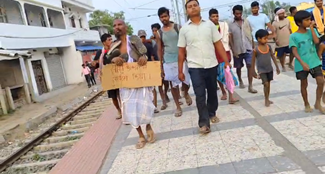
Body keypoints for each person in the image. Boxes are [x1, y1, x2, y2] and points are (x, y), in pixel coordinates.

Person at [178, 0, 230, 134]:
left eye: (195, 5)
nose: (193, 8)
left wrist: (226, 61)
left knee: (212, 92)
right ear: (186, 11)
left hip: (211, 64)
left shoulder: (210, 26)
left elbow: (218, 44)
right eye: (189, 6)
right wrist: (180, 71)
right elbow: (181, 51)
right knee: (200, 95)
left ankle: (212, 112)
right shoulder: (184, 29)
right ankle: (204, 123)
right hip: (195, 67)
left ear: (199, 8)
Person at [109, 19, 156, 149]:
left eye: (119, 24)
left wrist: (143, 58)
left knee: (145, 106)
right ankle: (140, 135)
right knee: (130, 109)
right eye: (114, 26)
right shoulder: (114, 45)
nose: (117, 27)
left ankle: (148, 126)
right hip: (125, 82)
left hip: (140, 78)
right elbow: (109, 60)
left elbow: (145, 54)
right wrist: (114, 59)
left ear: (125, 26)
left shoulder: (134, 39)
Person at [157, 7, 192, 117]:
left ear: (169, 16)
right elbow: (159, 49)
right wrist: (161, 65)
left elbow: (185, 42)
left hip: (181, 59)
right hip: (168, 61)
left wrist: (187, 55)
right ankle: (178, 106)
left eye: (165, 16)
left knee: (186, 82)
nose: (164, 19)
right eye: (162, 17)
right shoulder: (159, 33)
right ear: (159, 18)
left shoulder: (177, 27)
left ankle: (185, 93)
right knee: (173, 85)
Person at [289, 10, 325, 113]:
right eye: (307, 20)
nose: (310, 21)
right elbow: (294, 51)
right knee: (304, 84)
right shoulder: (293, 36)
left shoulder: (311, 32)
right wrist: (302, 62)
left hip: (314, 61)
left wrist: (312, 29)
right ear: (299, 23)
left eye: (310, 19)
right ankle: (306, 103)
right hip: (302, 64)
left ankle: (318, 102)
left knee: (321, 81)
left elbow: (317, 41)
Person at [209, 8, 238, 104]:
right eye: (213, 16)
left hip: (225, 52)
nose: (215, 18)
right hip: (213, 54)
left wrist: (232, 50)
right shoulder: (208, 27)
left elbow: (228, 38)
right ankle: (223, 92)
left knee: (228, 74)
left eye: (216, 16)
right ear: (209, 17)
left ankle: (231, 96)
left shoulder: (224, 25)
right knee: (218, 75)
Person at [228, 5, 257, 93]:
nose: (238, 15)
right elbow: (230, 38)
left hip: (248, 48)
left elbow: (250, 34)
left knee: (250, 66)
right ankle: (240, 80)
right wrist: (233, 51)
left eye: (240, 13)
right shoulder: (230, 24)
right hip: (237, 50)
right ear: (233, 13)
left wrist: (252, 45)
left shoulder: (246, 22)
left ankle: (250, 86)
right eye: (237, 13)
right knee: (239, 67)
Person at [94, 33, 122, 119]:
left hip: (118, 75)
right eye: (109, 40)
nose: (111, 41)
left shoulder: (116, 49)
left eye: (111, 39)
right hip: (108, 77)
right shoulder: (100, 53)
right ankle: (119, 110)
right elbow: (95, 64)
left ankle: (125, 110)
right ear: (104, 43)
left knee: (121, 94)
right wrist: (95, 63)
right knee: (113, 96)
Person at [251, 29, 280, 107]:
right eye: (265, 38)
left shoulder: (269, 47)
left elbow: (273, 56)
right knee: (266, 84)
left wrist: (277, 67)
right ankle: (266, 99)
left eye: (267, 38)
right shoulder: (256, 49)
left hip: (269, 69)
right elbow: (253, 61)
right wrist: (253, 71)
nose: (266, 40)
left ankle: (267, 98)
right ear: (258, 39)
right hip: (261, 70)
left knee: (269, 83)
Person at [138, 29, 159, 113]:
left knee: (153, 88)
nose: (142, 38)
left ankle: (155, 106)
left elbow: (153, 56)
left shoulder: (149, 45)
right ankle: (148, 105)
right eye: (141, 37)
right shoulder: (136, 47)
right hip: (141, 69)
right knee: (144, 89)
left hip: (149, 67)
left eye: (143, 36)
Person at [151, 23, 169, 110]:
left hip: (165, 62)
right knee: (159, 84)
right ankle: (164, 102)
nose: (154, 32)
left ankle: (166, 93)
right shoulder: (151, 42)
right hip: (156, 65)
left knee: (167, 82)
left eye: (156, 30)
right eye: (153, 31)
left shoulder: (163, 38)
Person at [311, 0, 325, 76]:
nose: (320, 2)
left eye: (321, 1)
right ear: (315, 2)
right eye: (318, 1)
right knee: (321, 49)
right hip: (319, 32)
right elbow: (311, 22)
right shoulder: (313, 12)